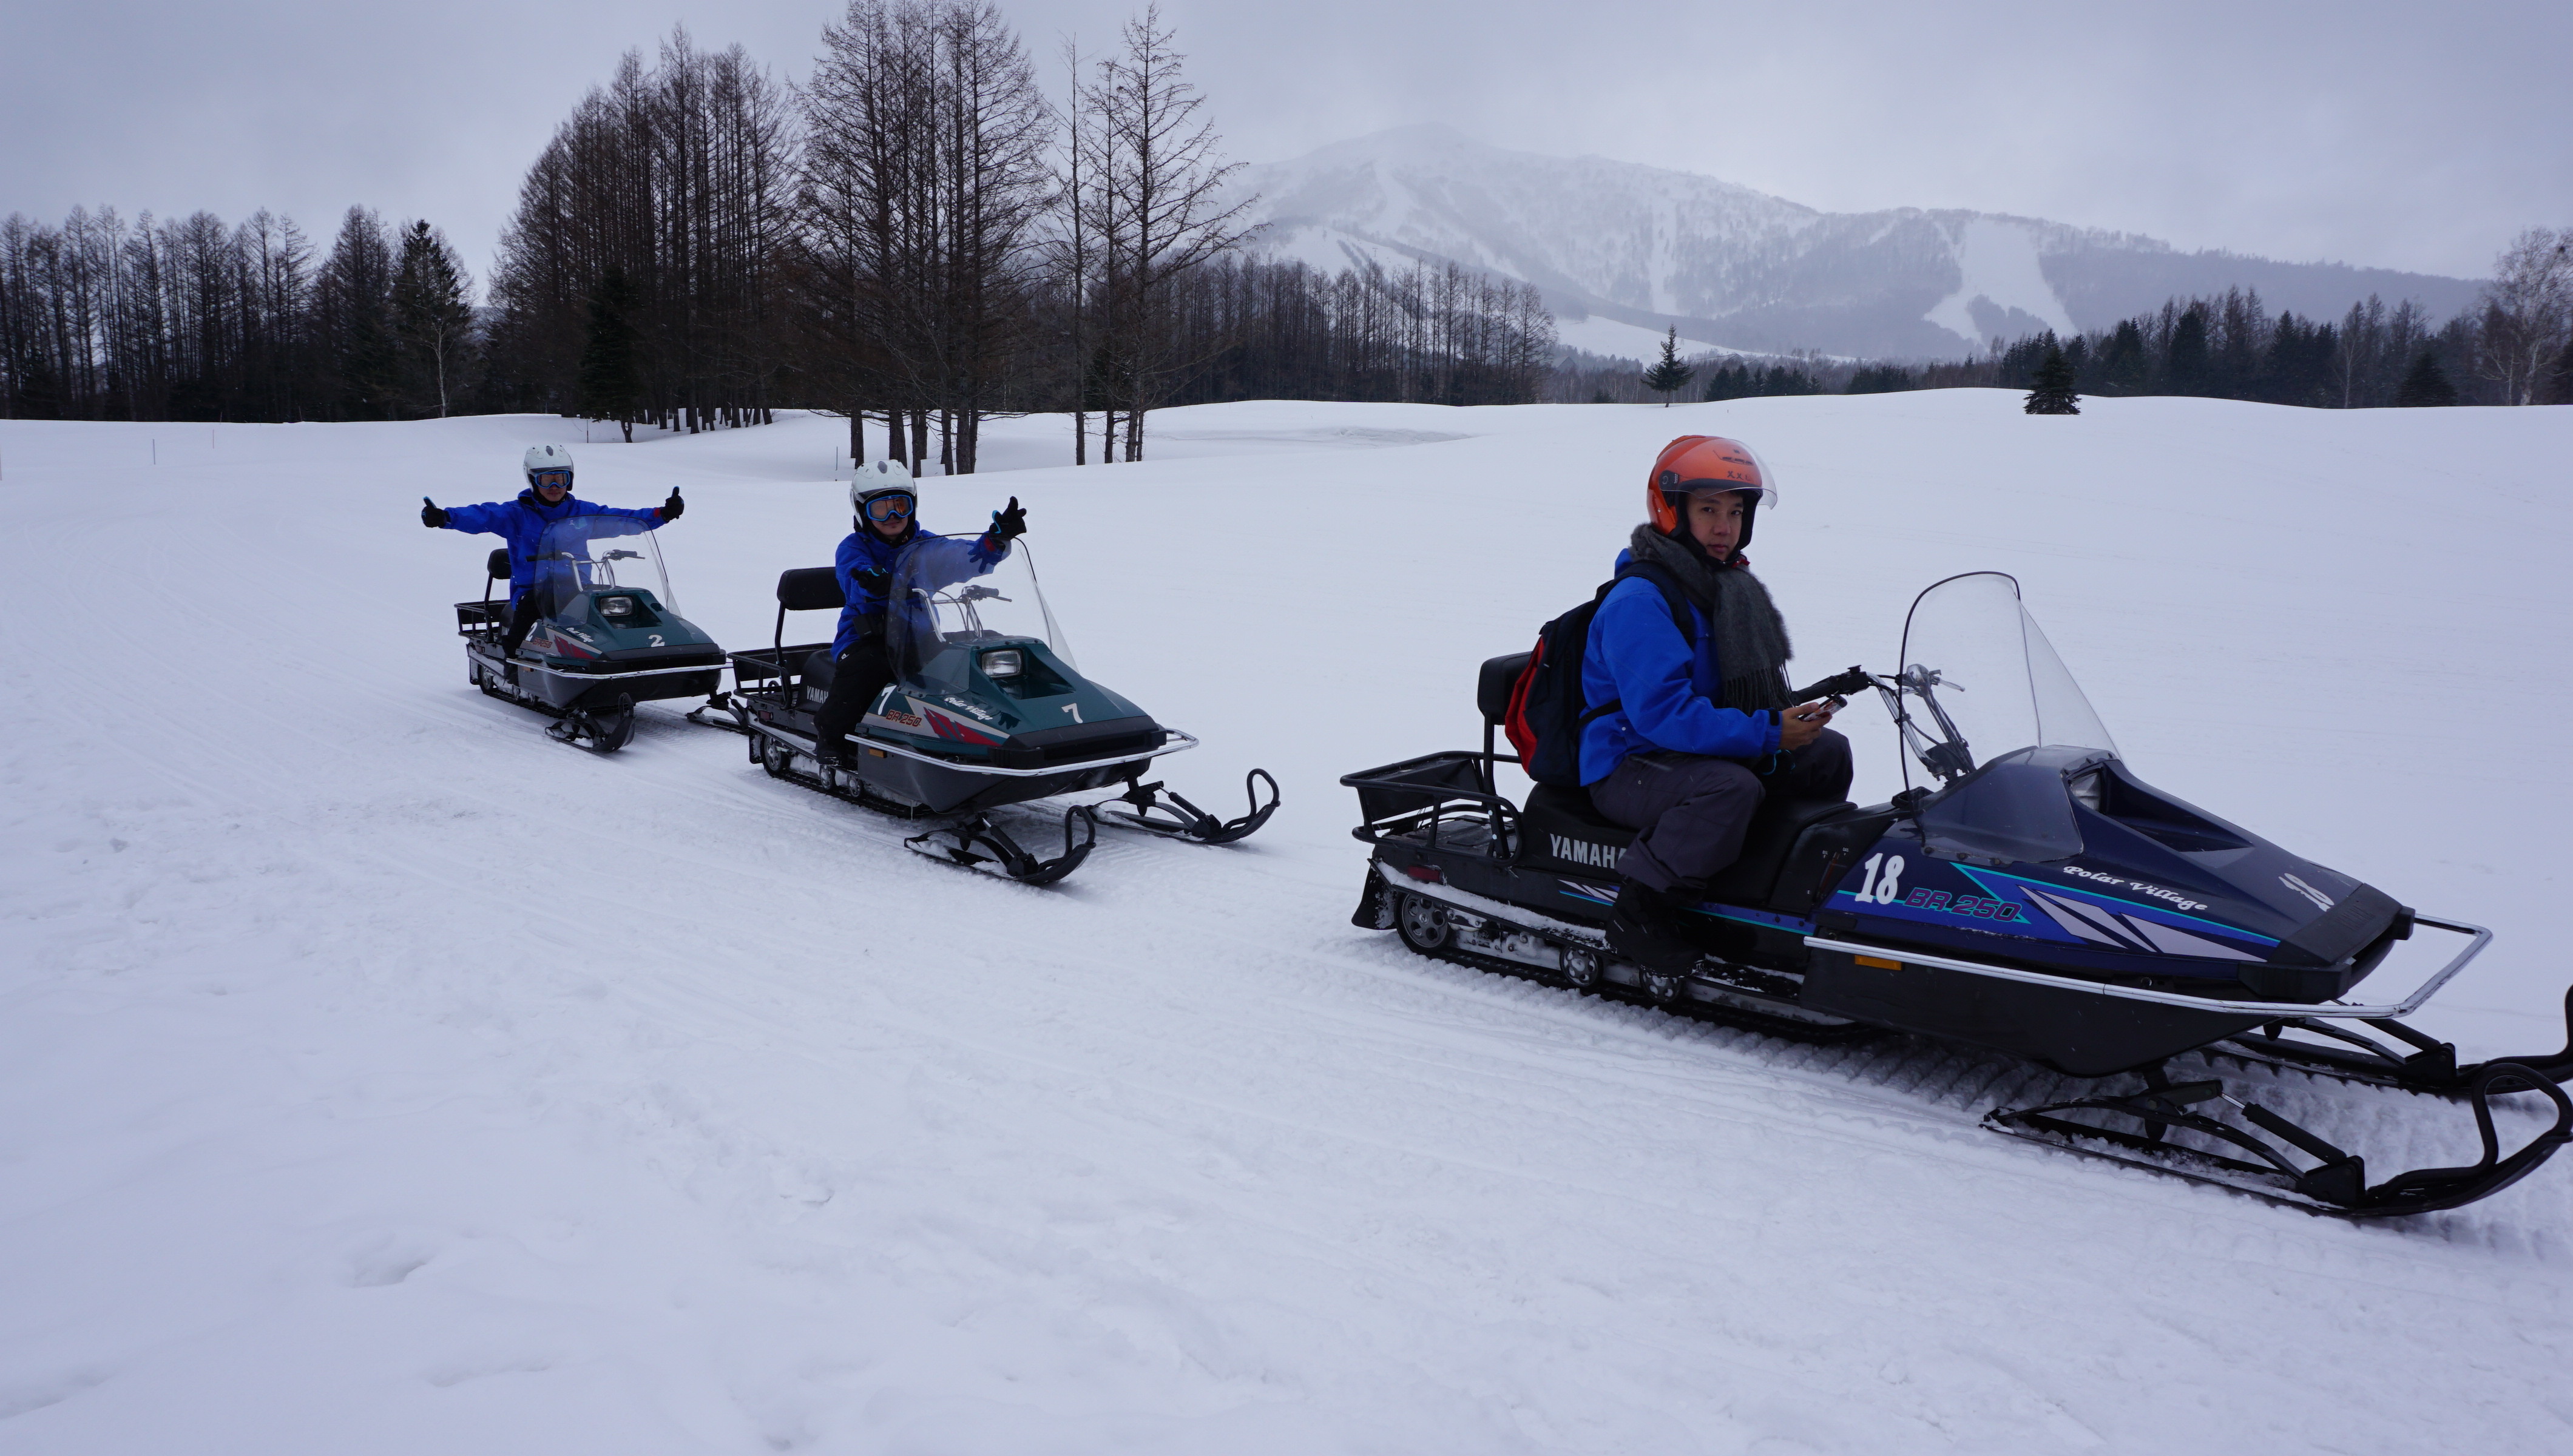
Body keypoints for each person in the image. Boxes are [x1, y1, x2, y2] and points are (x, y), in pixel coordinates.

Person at [1580, 435, 1851, 971]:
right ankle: (1641, 909)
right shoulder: (1641, 602)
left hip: (1682, 751)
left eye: (1735, 511)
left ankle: (1762, 884)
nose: (1724, 527)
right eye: (1708, 510)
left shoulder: (1724, 590)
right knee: (1730, 787)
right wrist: (1768, 732)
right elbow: (1663, 716)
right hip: (1628, 760)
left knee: (1827, 755)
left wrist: (1788, 718)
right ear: (1671, 510)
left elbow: (1734, 693)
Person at [811, 460, 1028, 768]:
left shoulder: (926, 546)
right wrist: (873, 581)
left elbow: (961, 556)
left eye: (901, 506)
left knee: (979, 656)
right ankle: (830, 736)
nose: (893, 517)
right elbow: (853, 577)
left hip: (922, 637)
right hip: (868, 638)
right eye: (881, 509)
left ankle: (995, 728)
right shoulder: (853, 547)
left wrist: (994, 542)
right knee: (866, 669)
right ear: (862, 511)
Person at [421, 445, 685, 659]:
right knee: (529, 614)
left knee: (620, 609)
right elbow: (482, 515)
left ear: (570, 480)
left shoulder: (582, 511)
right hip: (534, 590)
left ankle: (635, 655)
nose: (554, 486)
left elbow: (620, 519)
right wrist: (445, 517)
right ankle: (512, 659)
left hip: (579, 586)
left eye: (561, 479)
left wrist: (661, 514)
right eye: (546, 480)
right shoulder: (516, 514)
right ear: (533, 481)